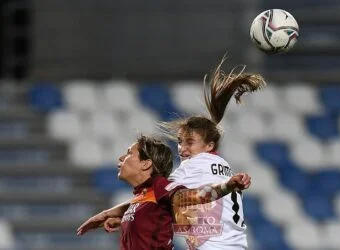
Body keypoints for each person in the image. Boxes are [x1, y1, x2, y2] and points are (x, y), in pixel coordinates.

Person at [77, 58, 266, 249]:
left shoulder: (193, 166)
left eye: (190, 143)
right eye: (180, 142)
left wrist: (112, 213)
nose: (182, 149)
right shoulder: (222, 165)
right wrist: (128, 219)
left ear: (209, 145)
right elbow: (176, 207)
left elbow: (157, 196)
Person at [78, 134, 251, 250]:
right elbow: (155, 218)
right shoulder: (144, 197)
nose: (121, 158)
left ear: (146, 164)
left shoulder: (161, 187)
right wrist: (120, 220)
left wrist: (227, 186)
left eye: (129, 153)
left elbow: (192, 197)